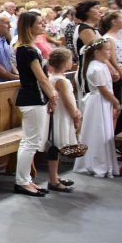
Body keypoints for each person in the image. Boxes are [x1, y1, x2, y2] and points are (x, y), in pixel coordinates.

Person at [12, 11, 58, 197]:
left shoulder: (31, 47)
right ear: (28, 27)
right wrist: (53, 95)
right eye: (39, 23)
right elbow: (41, 78)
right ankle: (22, 182)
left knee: (32, 141)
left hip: (35, 98)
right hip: (32, 98)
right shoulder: (27, 50)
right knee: (30, 143)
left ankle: (26, 179)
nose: (43, 25)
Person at [73, 38, 120, 177]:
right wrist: (116, 102)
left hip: (102, 101)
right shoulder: (96, 68)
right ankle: (98, 163)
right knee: (98, 131)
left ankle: (103, 162)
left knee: (102, 130)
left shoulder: (100, 65)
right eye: (107, 50)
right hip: (99, 102)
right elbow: (103, 90)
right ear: (97, 52)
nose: (110, 52)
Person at [46, 48, 79, 192]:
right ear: (65, 63)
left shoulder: (52, 77)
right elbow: (68, 102)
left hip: (57, 115)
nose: (72, 62)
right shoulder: (61, 81)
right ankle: (53, 180)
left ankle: (55, 176)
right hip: (61, 116)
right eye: (71, 60)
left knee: (56, 146)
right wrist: (76, 115)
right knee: (55, 147)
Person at [99, 10, 122, 133]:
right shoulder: (109, 38)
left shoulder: (116, 36)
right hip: (117, 74)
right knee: (117, 106)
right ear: (114, 21)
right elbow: (113, 60)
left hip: (121, 70)